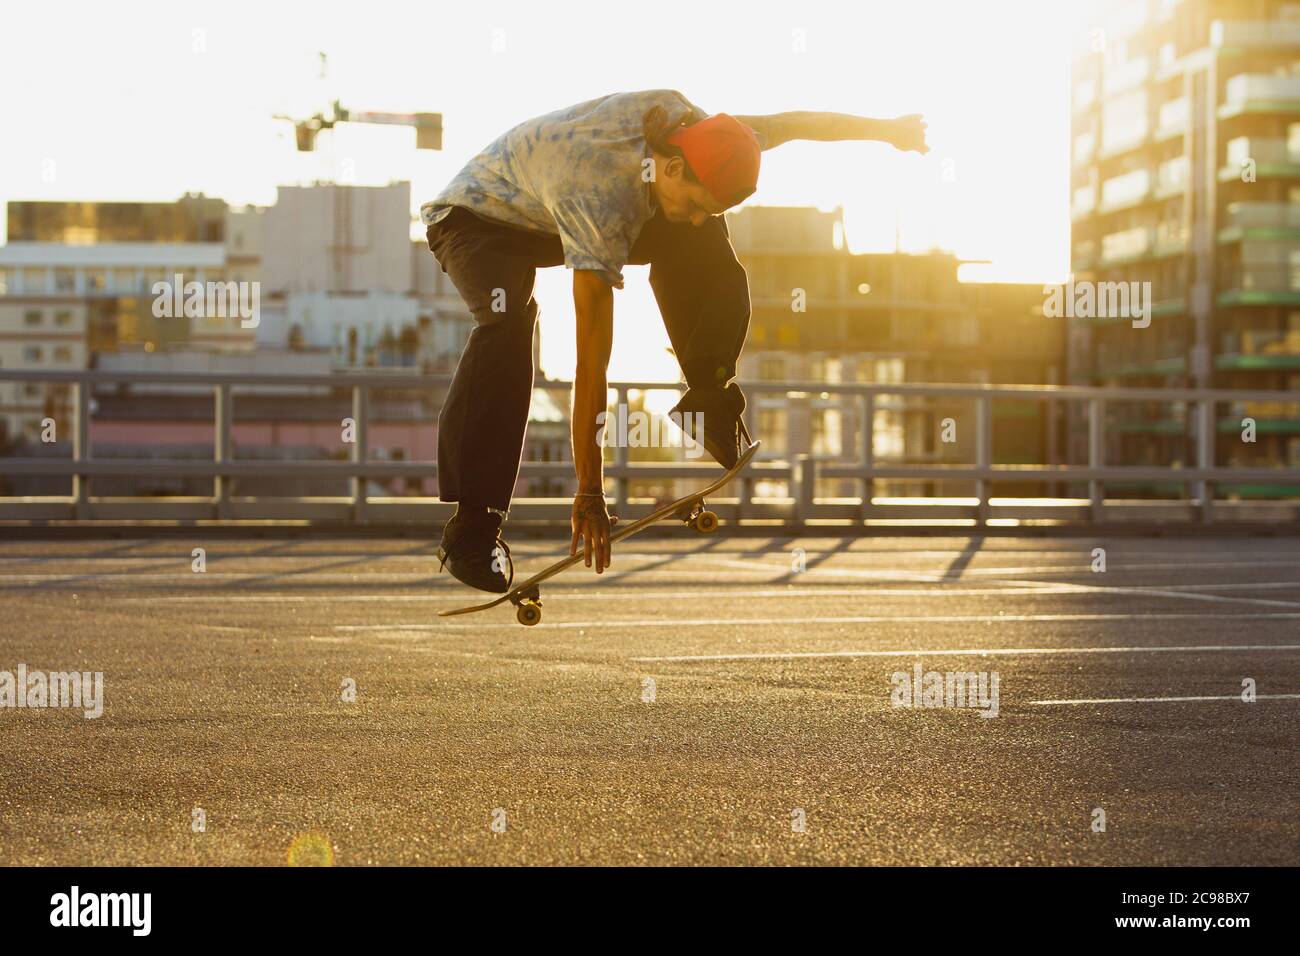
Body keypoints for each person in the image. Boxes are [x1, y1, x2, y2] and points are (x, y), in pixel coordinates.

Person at [424, 90, 927, 592]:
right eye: (690, 201)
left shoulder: (710, 135)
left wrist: (890, 131)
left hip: (542, 214)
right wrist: (589, 491)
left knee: (702, 237)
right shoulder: (597, 191)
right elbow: (591, 360)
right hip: (472, 221)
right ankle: (473, 528)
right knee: (508, 321)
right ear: (671, 169)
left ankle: (708, 393)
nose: (690, 214)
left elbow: (801, 122)